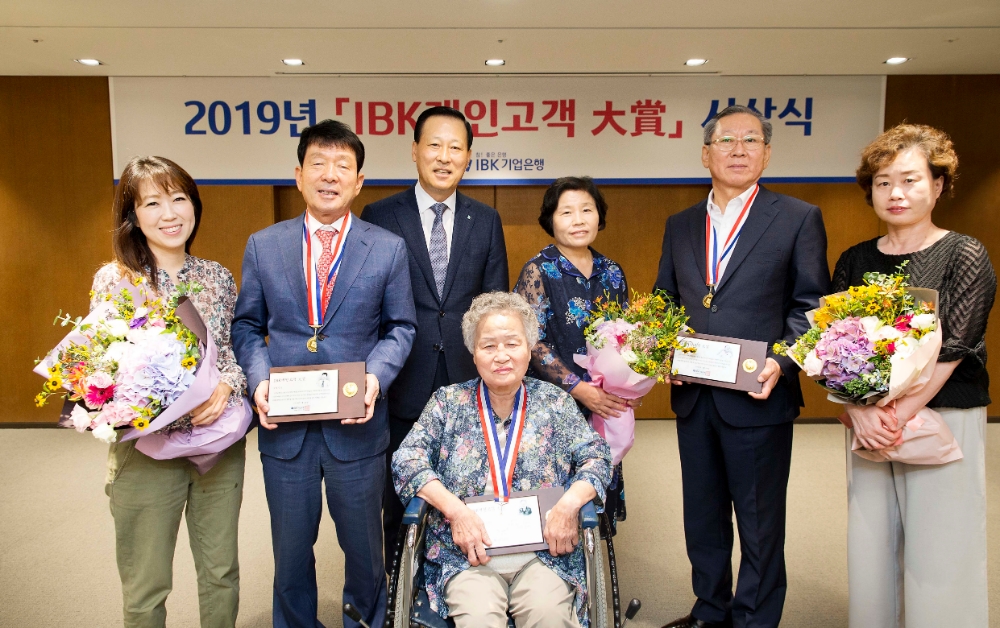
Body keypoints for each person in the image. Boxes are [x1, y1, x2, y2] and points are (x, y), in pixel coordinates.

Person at [231, 119, 416, 628]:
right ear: (298, 174)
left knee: (365, 554)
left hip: (357, 430)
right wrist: (259, 379)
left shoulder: (386, 248)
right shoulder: (264, 245)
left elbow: (401, 327)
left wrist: (376, 376)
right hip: (285, 430)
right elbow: (246, 326)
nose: (329, 175)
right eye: (318, 163)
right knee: (289, 556)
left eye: (343, 166)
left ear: (358, 182)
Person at [653, 105, 830, 628]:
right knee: (702, 518)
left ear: (767, 153)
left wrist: (782, 361)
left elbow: (812, 307)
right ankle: (711, 610)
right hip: (695, 395)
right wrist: (663, 350)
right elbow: (666, 300)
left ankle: (754, 618)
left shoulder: (798, 217)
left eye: (750, 140)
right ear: (705, 153)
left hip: (759, 394)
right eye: (725, 140)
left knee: (758, 521)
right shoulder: (680, 223)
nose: (737, 149)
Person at [834, 124, 995, 627]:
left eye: (909, 179)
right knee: (871, 544)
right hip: (870, 423)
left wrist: (894, 415)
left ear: (939, 184)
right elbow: (835, 346)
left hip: (943, 414)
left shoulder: (964, 254)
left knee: (942, 546)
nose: (896, 193)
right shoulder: (855, 260)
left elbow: (953, 349)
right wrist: (858, 411)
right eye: (883, 182)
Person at [393, 291, 612, 628]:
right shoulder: (448, 402)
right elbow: (407, 459)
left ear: (529, 348)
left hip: (544, 555)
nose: (501, 356)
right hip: (468, 555)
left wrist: (569, 506)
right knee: (479, 620)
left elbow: (597, 457)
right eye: (489, 346)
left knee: (550, 617)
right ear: (473, 352)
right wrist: (455, 511)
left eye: (512, 343)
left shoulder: (554, 402)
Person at [96, 156, 248, 628]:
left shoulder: (217, 276)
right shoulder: (117, 280)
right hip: (145, 451)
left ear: (194, 206)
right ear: (133, 215)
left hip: (216, 444)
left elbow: (231, 350)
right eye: (153, 202)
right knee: (146, 583)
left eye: (179, 199)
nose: (170, 213)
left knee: (221, 572)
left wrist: (228, 383)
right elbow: (105, 369)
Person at [360, 105, 509, 567]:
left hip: (468, 379)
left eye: (456, 148)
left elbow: (493, 305)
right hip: (403, 377)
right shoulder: (381, 215)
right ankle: (397, 598)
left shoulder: (485, 220)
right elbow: (370, 303)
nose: (444, 157)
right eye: (434, 145)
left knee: (469, 493)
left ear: (468, 157)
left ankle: (460, 590)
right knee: (400, 496)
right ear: (414, 151)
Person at [513, 176, 630, 532]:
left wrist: (626, 387)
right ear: (551, 219)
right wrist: (579, 389)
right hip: (555, 400)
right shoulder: (538, 269)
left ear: (599, 217)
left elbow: (628, 339)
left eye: (586, 210)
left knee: (597, 476)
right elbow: (531, 342)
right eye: (566, 212)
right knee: (555, 490)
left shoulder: (612, 272)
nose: (578, 220)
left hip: (604, 399)